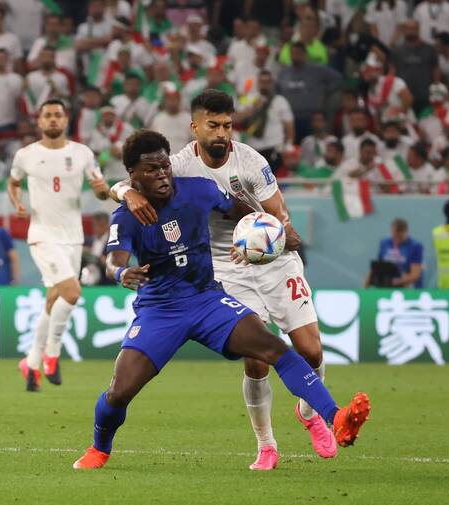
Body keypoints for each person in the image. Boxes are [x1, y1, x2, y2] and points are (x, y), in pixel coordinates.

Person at [72, 130, 371, 469]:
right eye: (152, 170)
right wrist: (121, 273)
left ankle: (336, 417)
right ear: (133, 175)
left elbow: (238, 208)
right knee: (120, 392)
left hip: (207, 300)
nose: (163, 175)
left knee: (275, 349)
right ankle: (99, 448)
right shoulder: (127, 215)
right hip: (160, 311)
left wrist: (255, 233)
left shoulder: (199, 190)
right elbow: (113, 260)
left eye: (165, 166)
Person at [111, 90, 337, 470]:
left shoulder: (251, 161)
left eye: (227, 126)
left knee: (311, 351)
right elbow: (125, 183)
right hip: (224, 266)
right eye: (213, 125)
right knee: (256, 358)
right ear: (195, 127)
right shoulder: (178, 165)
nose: (221, 133)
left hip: (273, 258)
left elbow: (278, 214)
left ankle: (309, 414)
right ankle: (266, 445)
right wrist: (126, 192)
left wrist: (280, 233)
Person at [9, 99, 110, 391]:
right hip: (42, 235)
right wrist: (17, 203)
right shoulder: (25, 155)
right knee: (72, 292)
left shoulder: (82, 153)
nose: (53, 119)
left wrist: (102, 191)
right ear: (39, 121)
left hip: (73, 238)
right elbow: (13, 183)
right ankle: (52, 354)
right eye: (48, 115)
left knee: (54, 298)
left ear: (66, 120)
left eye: (58, 115)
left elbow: (101, 191)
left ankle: (30, 363)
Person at [365, 218, 424, 288]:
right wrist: (364, 288)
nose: (396, 240)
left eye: (399, 237)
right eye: (394, 236)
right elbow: (376, 268)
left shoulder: (415, 246)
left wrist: (398, 281)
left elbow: (415, 275)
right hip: (388, 284)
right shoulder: (384, 243)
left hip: (408, 287)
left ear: (406, 232)